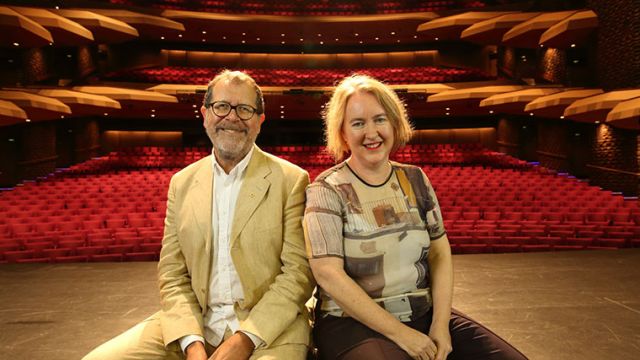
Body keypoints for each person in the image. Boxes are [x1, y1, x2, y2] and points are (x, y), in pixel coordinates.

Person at [84, 70, 315, 360]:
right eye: (221, 106)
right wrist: (192, 342)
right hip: (195, 323)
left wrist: (245, 339)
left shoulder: (291, 180)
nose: (232, 117)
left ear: (260, 121)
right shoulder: (181, 183)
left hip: (268, 330)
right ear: (205, 114)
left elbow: (297, 275)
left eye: (244, 109)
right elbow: (172, 274)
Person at [303, 75, 528, 360]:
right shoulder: (326, 189)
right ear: (343, 133)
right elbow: (327, 274)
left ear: (395, 124)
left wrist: (440, 325)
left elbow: (439, 253)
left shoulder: (415, 178)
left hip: (420, 309)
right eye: (358, 123)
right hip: (352, 322)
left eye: (379, 119)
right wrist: (403, 335)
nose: (371, 132)